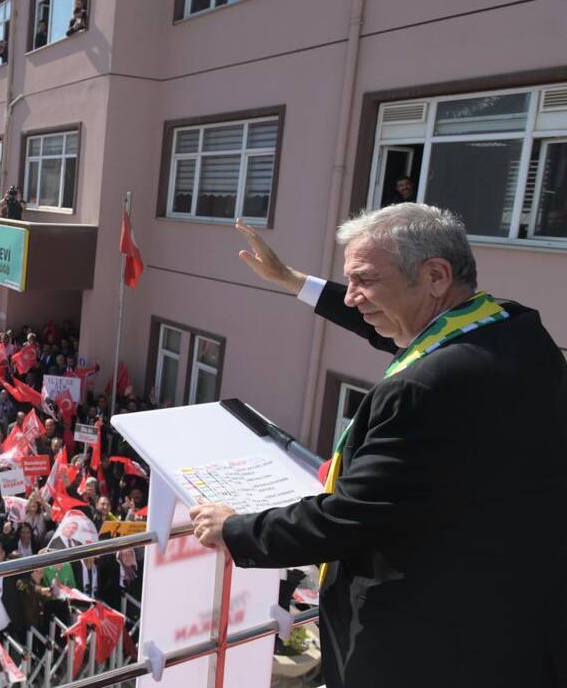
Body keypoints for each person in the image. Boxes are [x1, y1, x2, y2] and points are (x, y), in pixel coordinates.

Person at [190, 207, 567, 687]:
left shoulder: (425, 389)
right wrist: (290, 280)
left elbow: (349, 519)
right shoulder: (510, 329)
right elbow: (403, 334)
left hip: (430, 645)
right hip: (513, 618)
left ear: (434, 276)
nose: (353, 298)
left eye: (364, 280)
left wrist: (236, 530)